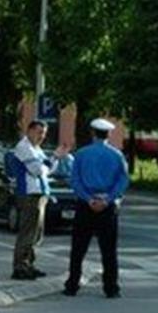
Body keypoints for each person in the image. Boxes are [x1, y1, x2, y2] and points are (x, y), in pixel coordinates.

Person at [63, 118, 130, 298]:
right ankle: (111, 288)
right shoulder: (117, 155)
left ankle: (72, 285)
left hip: (85, 205)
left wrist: (88, 198)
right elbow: (123, 181)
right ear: (109, 134)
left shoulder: (82, 154)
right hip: (107, 207)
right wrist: (108, 199)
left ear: (93, 133)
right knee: (108, 250)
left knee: (78, 248)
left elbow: (74, 180)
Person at [11, 120, 68, 280]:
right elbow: (37, 170)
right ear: (29, 131)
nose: (41, 136)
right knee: (28, 232)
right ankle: (20, 267)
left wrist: (52, 160)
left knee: (37, 233)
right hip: (29, 193)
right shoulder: (24, 147)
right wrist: (53, 158)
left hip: (40, 193)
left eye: (43, 133)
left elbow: (48, 170)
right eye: (38, 132)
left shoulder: (36, 149)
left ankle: (29, 264)